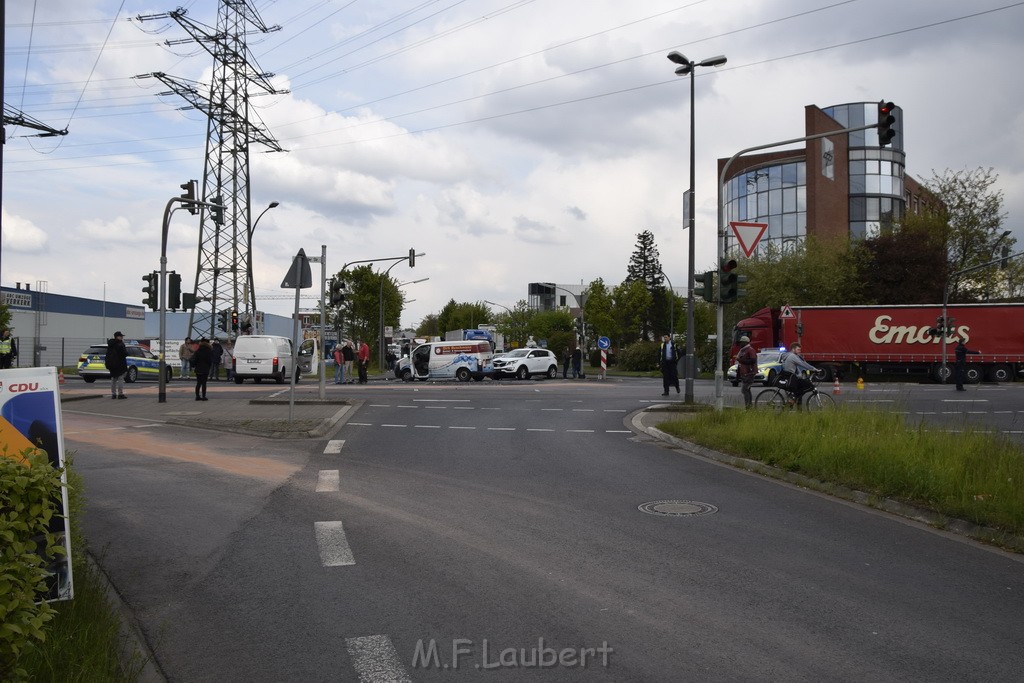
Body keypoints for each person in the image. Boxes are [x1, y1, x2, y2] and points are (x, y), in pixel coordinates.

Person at [105, 331, 128, 399]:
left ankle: (113, 394)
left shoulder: (110, 344)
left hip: (112, 364)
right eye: (121, 336)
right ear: (117, 337)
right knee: (120, 379)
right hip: (120, 364)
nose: (122, 337)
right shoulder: (120, 344)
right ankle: (120, 394)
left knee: (113, 379)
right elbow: (124, 353)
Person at [736, 335, 757, 409]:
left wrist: (740, 360)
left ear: (746, 343)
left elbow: (752, 360)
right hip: (745, 373)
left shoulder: (750, 350)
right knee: (746, 390)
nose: (740, 344)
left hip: (749, 373)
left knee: (745, 390)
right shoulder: (743, 350)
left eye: (742, 342)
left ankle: (748, 407)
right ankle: (749, 406)